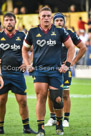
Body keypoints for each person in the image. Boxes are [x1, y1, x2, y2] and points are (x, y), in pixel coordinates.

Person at [22, 6, 75, 136]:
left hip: (55, 71)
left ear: (51, 18)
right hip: (39, 70)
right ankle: (41, 129)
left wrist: (67, 64)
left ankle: (59, 124)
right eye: (43, 16)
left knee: (57, 98)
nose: (46, 18)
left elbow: (71, 47)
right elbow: (24, 49)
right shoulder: (32, 32)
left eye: (48, 16)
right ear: (39, 18)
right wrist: (28, 64)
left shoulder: (59, 31)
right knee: (41, 98)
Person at [45, 13, 86, 127]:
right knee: (50, 94)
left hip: (64, 69)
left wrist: (72, 62)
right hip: (51, 68)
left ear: (64, 22)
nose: (59, 22)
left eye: (60, 20)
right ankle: (52, 118)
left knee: (65, 94)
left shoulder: (70, 34)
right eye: (56, 20)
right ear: (53, 22)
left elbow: (83, 48)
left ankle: (66, 119)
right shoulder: (48, 33)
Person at [0, 12, 37, 134]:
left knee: (23, 101)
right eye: (6, 20)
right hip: (3, 73)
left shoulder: (22, 36)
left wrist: (27, 63)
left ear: (15, 22)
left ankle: (26, 127)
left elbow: (34, 50)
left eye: (11, 20)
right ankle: (0, 127)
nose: (9, 22)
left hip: (17, 73)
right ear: (3, 22)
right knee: (1, 101)